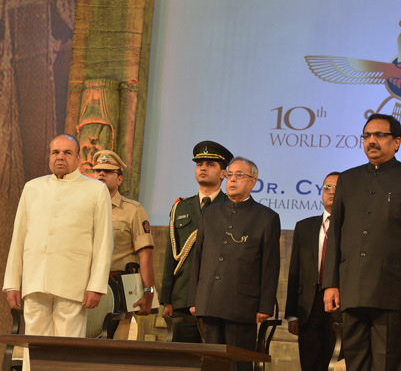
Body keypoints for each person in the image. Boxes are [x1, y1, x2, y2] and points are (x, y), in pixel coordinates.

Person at [322, 113, 401, 371]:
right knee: (356, 364)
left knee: (388, 364)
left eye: (380, 135)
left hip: (393, 291)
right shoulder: (348, 180)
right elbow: (336, 234)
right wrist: (331, 283)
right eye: (367, 136)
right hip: (351, 289)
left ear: (397, 142)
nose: (372, 141)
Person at [3, 134, 113, 368]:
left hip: (72, 282)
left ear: (78, 158)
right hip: (35, 279)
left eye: (67, 153)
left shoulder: (95, 190)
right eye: (55, 152)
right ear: (49, 156)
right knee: (34, 347)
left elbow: (104, 242)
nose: (60, 157)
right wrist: (12, 281)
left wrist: (96, 285)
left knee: (67, 349)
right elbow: (19, 237)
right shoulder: (32, 187)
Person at [188, 156, 280, 371]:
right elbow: (198, 257)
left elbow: (270, 266)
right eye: (229, 174)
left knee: (239, 365)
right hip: (209, 301)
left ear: (253, 182)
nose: (232, 180)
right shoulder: (210, 213)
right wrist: (194, 298)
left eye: (240, 175)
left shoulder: (266, 217)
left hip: (242, 306)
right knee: (211, 364)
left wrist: (265, 306)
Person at [161, 140, 233, 342]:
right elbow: (170, 256)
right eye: (199, 164)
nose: (203, 168)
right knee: (183, 360)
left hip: (218, 297)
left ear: (223, 173)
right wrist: (167, 299)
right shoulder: (181, 208)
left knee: (215, 359)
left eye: (211, 165)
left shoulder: (231, 207)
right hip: (182, 296)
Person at [92, 150, 155, 338]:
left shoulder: (133, 210)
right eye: (97, 171)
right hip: (86, 288)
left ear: (119, 179)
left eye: (108, 171)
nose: (101, 174)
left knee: (114, 351)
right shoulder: (84, 208)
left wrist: (148, 292)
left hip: (118, 288)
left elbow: (145, 255)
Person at [286, 172, 341, 371]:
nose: (331, 192)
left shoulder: (351, 227)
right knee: (310, 364)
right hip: (309, 305)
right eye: (327, 187)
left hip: (339, 304)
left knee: (335, 363)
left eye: (337, 188)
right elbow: (295, 271)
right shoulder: (304, 227)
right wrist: (292, 315)